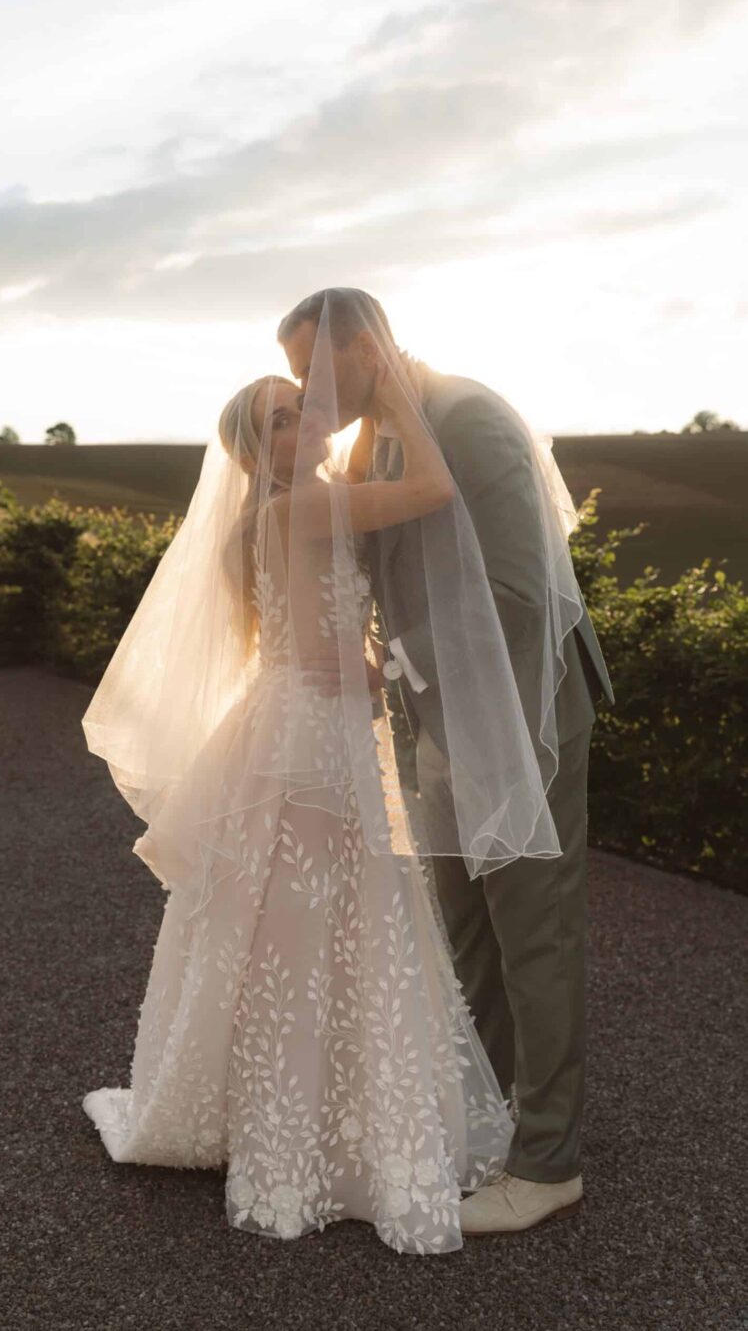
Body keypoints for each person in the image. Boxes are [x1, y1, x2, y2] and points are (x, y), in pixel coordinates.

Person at [80, 332, 517, 1255]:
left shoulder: (274, 517)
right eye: (283, 419)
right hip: (314, 736)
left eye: (303, 404)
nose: (306, 417)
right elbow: (434, 490)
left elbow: (296, 626)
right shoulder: (306, 507)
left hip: (295, 724)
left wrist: (352, 658)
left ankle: (278, 1109)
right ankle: (309, 1130)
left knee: (294, 916)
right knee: (326, 915)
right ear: (257, 451)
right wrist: (394, 390)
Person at [277, 287, 615, 1235]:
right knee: (466, 928)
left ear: (365, 348)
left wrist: (392, 667)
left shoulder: (470, 418)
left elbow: (518, 593)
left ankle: (548, 1167)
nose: (308, 396)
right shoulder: (375, 440)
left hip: (523, 715)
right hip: (441, 720)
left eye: (314, 374)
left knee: (533, 932)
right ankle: (493, 1124)